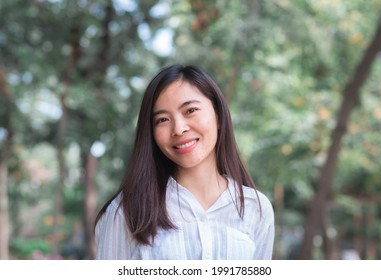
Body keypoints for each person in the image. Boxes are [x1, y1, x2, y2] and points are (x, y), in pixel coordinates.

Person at [94, 64, 274, 259]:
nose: (178, 129)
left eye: (190, 110)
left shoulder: (256, 208)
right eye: (163, 120)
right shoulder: (126, 213)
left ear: (218, 115)